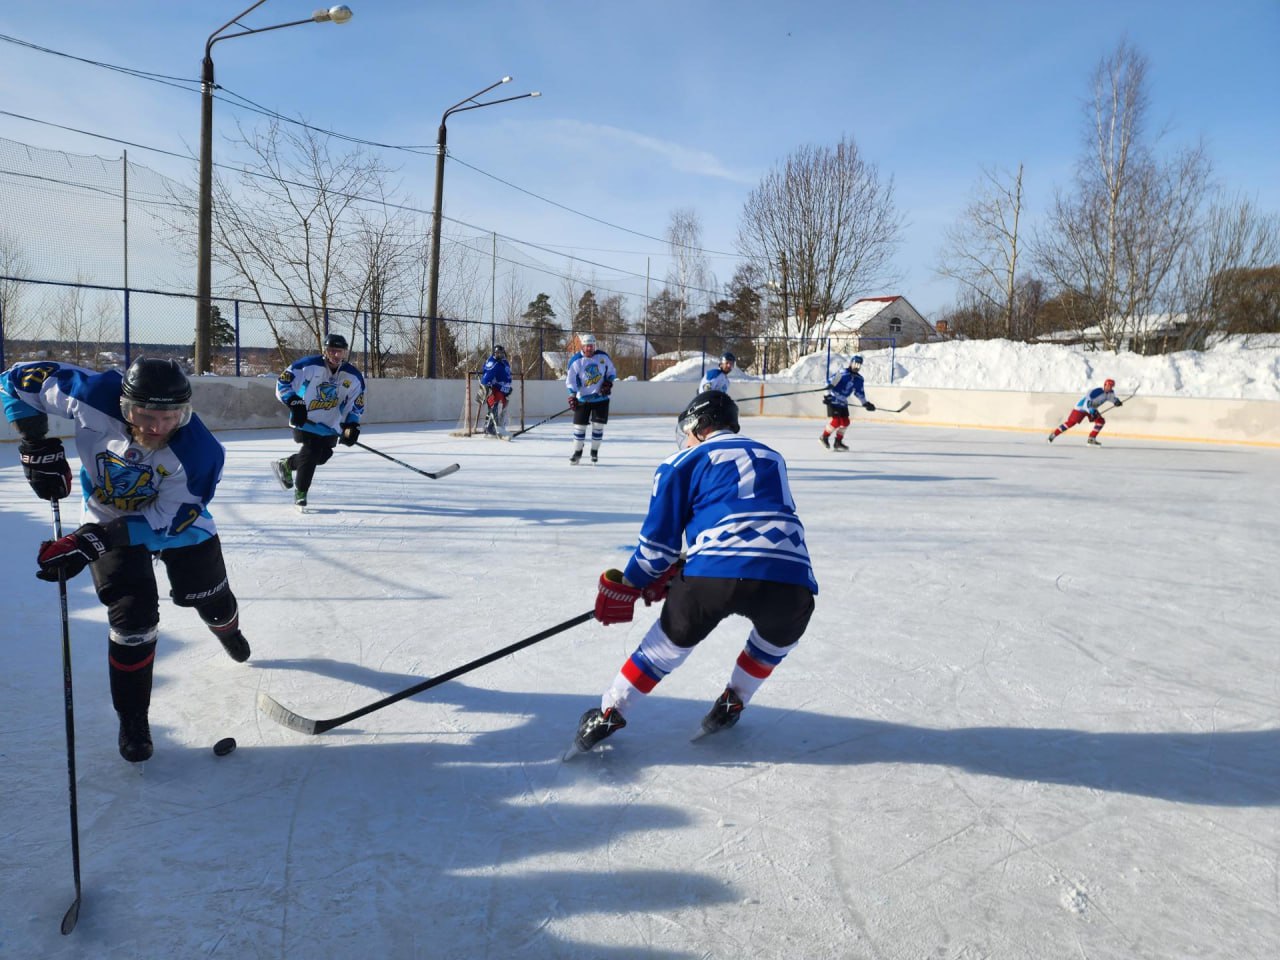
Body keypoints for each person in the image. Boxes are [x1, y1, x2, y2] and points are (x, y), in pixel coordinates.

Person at [1, 356, 250, 763]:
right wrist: (35, 443)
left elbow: (165, 522)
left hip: (175, 526)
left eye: (172, 416)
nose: (157, 427)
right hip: (107, 515)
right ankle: (133, 718)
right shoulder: (89, 395)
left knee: (209, 597)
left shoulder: (200, 454)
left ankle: (227, 631)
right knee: (132, 618)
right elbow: (12, 382)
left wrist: (94, 540)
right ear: (123, 405)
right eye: (144, 415)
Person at [572, 391, 818, 754]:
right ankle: (734, 702)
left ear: (699, 427)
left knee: (662, 650)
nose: (685, 439)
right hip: (793, 580)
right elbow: (753, 523)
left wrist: (632, 584)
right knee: (771, 644)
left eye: (687, 432)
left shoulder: (681, 461)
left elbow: (658, 548)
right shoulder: (771, 457)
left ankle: (609, 712)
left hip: (713, 576)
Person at [272, 333, 366, 507]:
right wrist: (294, 401)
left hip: (330, 425)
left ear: (345, 353)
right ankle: (301, 492)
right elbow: (283, 383)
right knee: (312, 450)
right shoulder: (309, 365)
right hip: (305, 420)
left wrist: (351, 425)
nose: (336, 355)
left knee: (323, 456)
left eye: (340, 352)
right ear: (325, 351)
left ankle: (287, 464)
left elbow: (356, 404)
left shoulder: (353, 376)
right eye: (332, 351)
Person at [565, 333, 617, 464]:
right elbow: (570, 380)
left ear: (595, 346)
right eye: (587, 346)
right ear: (582, 346)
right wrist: (572, 396)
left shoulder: (603, 357)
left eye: (591, 346)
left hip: (601, 399)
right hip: (582, 400)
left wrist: (608, 382)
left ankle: (594, 452)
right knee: (579, 428)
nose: (589, 348)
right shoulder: (576, 360)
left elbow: (612, 372)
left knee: (598, 426)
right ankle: (577, 453)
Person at [820, 354, 875, 451]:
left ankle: (838, 442)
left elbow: (859, 392)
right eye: (855, 364)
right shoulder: (842, 373)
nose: (856, 367)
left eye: (858, 365)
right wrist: (827, 395)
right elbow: (829, 383)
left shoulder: (859, 379)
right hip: (833, 399)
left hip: (843, 402)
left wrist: (865, 403)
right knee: (836, 421)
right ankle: (824, 437)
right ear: (851, 363)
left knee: (845, 422)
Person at [1049, 378, 1122, 445]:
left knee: (1100, 421)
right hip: (1081, 407)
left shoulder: (1111, 392)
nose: (1110, 388)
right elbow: (1087, 402)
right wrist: (1092, 412)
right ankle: (1054, 434)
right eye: (1108, 386)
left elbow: (1112, 398)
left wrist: (1117, 401)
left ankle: (1091, 439)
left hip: (1092, 408)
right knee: (1071, 423)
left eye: (1111, 386)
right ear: (1105, 385)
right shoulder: (1096, 392)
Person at [479, 345, 513, 437]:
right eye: (497, 353)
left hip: (504, 391)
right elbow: (487, 375)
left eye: (501, 353)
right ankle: (490, 427)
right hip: (496, 390)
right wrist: (485, 386)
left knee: (504, 408)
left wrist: (509, 388)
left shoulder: (505, 362)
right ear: (494, 353)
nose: (499, 355)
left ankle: (500, 427)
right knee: (494, 405)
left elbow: (508, 375)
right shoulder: (493, 362)